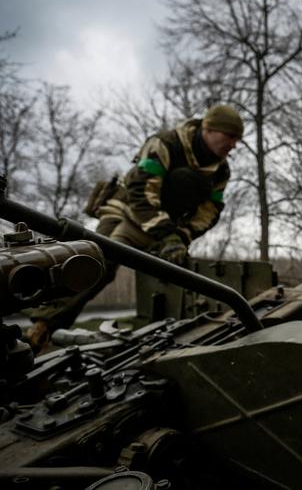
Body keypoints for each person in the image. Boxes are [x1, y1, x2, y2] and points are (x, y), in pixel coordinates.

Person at [26, 104, 243, 349]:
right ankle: (42, 326)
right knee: (96, 263)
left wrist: (180, 236)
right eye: (230, 136)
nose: (234, 144)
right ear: (209, 128)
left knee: (175, 269)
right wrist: (167, 235)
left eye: (238, 139)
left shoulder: (221, 171)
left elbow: (209, 212)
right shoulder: (165, 144)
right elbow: (140, 192)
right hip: (127, 208)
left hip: (167, 224)